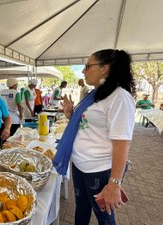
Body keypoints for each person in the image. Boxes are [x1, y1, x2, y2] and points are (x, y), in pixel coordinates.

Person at [53, 49, 136, 225]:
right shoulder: (96, 94)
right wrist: (70, 115)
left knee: (104, 218)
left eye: (88, 66)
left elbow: (122, 144)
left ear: (104, 68)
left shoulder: (119, 97)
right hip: (80, 165)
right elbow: (89, 126)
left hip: (99, 170)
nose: (83, 71)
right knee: (82, 208)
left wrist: (114, 183)